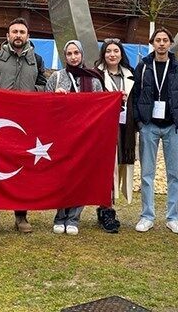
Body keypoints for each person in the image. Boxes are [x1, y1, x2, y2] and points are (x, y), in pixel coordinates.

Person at [0, 17, 47, 234]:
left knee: (23, 167)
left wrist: (27, 96)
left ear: (28, 36)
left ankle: (21, 215)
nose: (18, 35)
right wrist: (0, 90)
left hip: (25, 121)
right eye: (14, 32)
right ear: (7, 36)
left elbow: (43, 85)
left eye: (22, 32)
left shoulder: (36, 58)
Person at [132, 28, 178, 234]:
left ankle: (173, 217)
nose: (161, 43)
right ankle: (147, 216)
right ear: (152, 43)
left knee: (174, 174)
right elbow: (135, 94)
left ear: (170, 43)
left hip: (172, 126)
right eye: (157, 40)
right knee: (147, 173)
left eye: (165, 40)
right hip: (149, 126)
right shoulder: (143, 66)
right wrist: (140, 121)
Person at [46, 40, 105, 236]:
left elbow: (100, 105)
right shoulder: (55, 78)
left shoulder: (94, 78)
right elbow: (44, 104)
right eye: (69, 53)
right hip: (61, 135)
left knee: (80, 177)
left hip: (85, 136)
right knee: (62, 176)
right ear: (65, 56)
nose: (73, 57)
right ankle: (60, 216)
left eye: (76, 53)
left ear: (81, 55)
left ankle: (74, 218)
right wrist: (55, 96)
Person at [94, 38, 137, 233]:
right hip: (105, 127)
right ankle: (106, 209)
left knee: (120, 166)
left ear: (121, 54)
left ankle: (109, 206)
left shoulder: (131, 75)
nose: (112, 54)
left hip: (125, 127)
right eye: (108, 51)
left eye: (116, 51)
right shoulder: (97, 76)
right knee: (105, 168)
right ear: (103, 54)